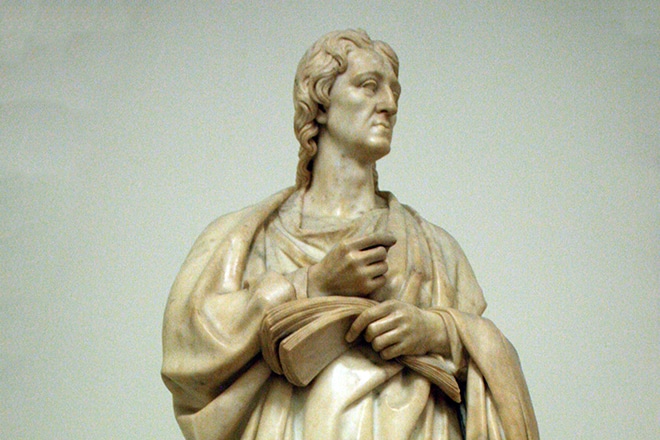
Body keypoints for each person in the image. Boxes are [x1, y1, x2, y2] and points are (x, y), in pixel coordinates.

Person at [162, 29, 539, 440]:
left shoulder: (436, 249)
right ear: (320, 104)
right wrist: (313, 284)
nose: (389, 105)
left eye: (394, 92)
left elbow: (490, 368)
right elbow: (189, 355)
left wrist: (434, 331)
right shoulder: (246, 240)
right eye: (369, 86)